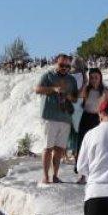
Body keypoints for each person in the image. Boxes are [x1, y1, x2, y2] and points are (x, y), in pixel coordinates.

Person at [34, 54, 79, 185]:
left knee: (59, 149)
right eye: (61, 65)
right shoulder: (48, 76)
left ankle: (55, 175)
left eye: (67, 66)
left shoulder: (72, 79)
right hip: (50, 116)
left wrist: (69, 97)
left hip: (65, 118)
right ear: (56, 63)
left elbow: (75, 98)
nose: (64, 68)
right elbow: (37, 89)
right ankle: (45, 176)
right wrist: (53, 89)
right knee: (48, 148)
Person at [77, 68, 108, 156]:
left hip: (98, 118)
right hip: (86, 117)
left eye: (96, 77)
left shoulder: (105, 90)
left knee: (97, 142)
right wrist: (85, 83)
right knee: (82, 141)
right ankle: (79, 165)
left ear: (100, 78)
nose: (94, 80)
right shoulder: (87, 89)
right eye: (91, 78)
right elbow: (79, 95)